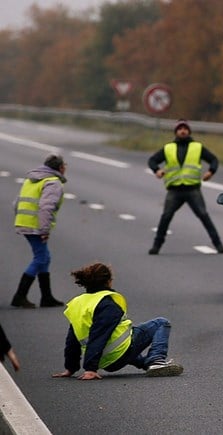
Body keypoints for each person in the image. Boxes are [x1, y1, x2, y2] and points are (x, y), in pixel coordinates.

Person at [52, 262, 184, 380]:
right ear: (108, 281)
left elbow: (72, 339)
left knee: (127, 338)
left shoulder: (78, 303)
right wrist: (90, 369)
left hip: (105, 361)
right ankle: (156, 361)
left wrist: (70, 367)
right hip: (118, 353)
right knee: (161, 323)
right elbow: (99, 335)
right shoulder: (107, 304)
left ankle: (147, 363)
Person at [147, 119, 223, 254]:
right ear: (176, 132)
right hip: (175, 190)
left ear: (189, 131)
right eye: (180, 129)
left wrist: (210, 172)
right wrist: (157, 170)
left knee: (203, 215)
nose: (183, 131)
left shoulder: (197, 147)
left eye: (185, 129)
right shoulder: (168, 148)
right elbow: (152, 160)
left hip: (192, 189)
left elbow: (214, 159)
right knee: (166, 216)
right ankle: (156, 245)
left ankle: (218, 244)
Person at [11, 153, 67, 308]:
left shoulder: (32, 179)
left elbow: (16, 203)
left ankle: (46, 297)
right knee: (41, 258)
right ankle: (19, 296)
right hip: (35, 225)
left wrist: (21, 220)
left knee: (44, 257)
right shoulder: (52, 182)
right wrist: (44, 230)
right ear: (61, 168)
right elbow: (46, 207)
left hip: (25, 221)